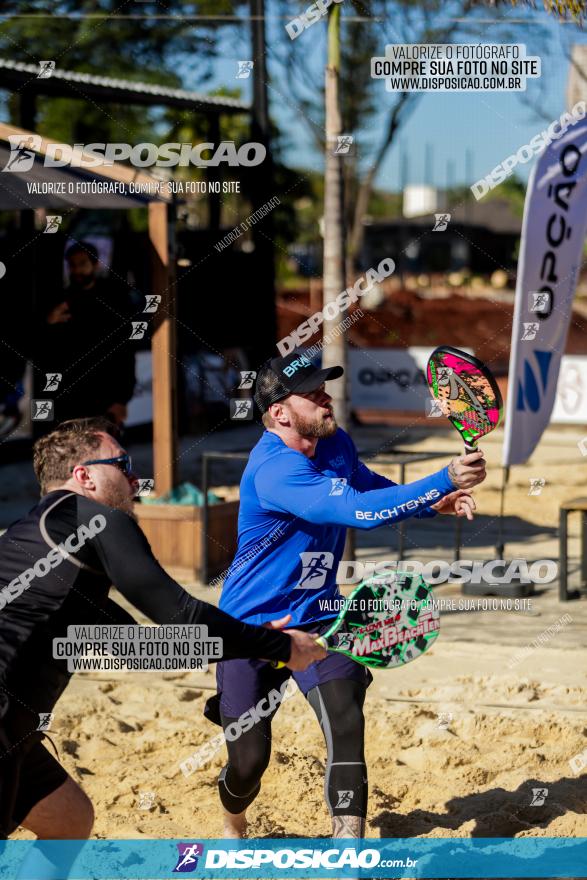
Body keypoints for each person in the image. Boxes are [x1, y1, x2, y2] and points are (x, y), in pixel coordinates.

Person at [0, 417, 324, 847]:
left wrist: (252, 639)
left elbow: (137, 648)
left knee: (69, 820)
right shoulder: (94, 518)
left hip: (15, 725)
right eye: (123, 464)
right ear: (85, 476)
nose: (136, 478)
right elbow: (179, 612)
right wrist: (281, 646)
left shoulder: (46, 546)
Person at [205, 352, 487, 839]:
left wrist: (430, 503)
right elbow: (357, 511)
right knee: (248, 762)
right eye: (313, 394)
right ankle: (234, 822)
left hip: (322, 619)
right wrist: (441, 477)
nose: (326, 397)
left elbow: (368, 487)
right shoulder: (275, 471)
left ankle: (347, 851)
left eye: (325, 388)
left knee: (345, 716)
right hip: (250, 630)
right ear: (280, 414)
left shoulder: (335, 443)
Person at [34, 241, 137, 430]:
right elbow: (43, 349)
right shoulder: (61, 301)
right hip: (68, 398)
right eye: (72, 265)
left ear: (95, 264)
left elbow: (125, 352)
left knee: (102, 453)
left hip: (104, 396)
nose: (77, 270)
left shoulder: (115, 300)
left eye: (82, 264)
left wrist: (121, 399)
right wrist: (49, 322)